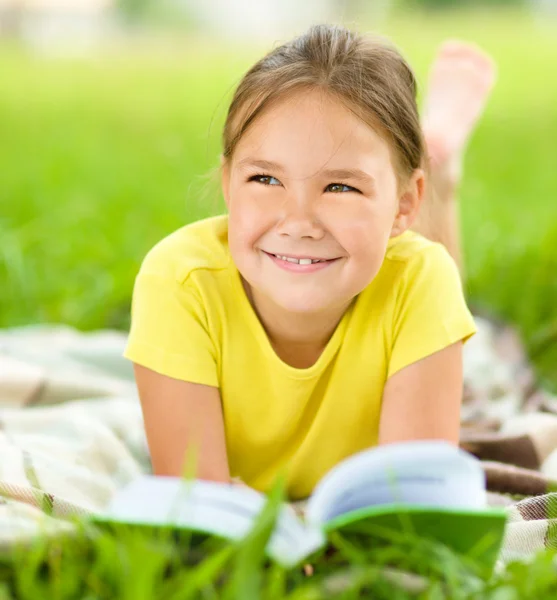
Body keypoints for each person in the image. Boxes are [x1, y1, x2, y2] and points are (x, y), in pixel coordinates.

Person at [123, 25, 494, 500]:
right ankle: (425, 159)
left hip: (411, 265)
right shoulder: (179, 281)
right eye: (264, 178)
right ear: (227, 184)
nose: (298, 222)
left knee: (451, 318)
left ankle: (440, 166)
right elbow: (197, 507)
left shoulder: (420, 281)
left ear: (404, 203)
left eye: (341, 187)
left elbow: (412, 513)